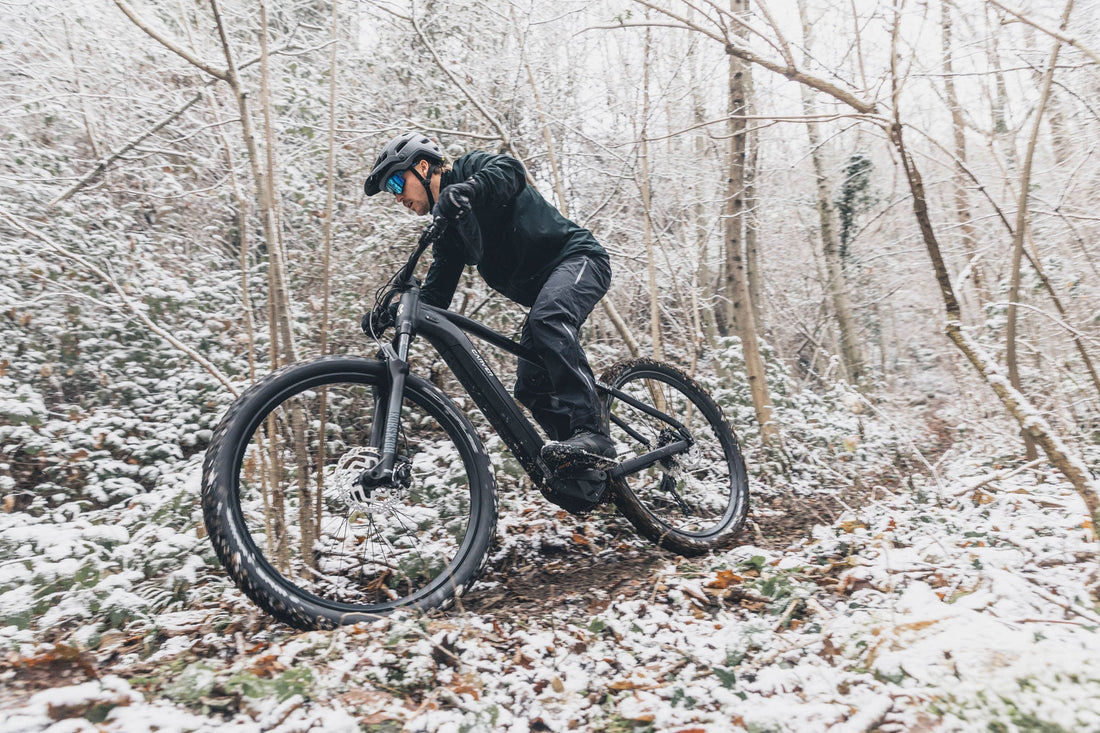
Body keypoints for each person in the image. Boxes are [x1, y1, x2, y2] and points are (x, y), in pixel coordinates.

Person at [363, 131, 616, 477]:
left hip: (580, 260)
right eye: (390, 192)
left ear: (423, 167)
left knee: (547, 321)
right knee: (531, 387)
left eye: (396, 183)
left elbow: (510, 170)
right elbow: (435, 299)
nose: (397, 197)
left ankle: (595, 436)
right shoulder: (449, 232)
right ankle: (584, 467)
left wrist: (468, 189)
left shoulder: (469, 170)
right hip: (546, 295)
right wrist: (391, 313)